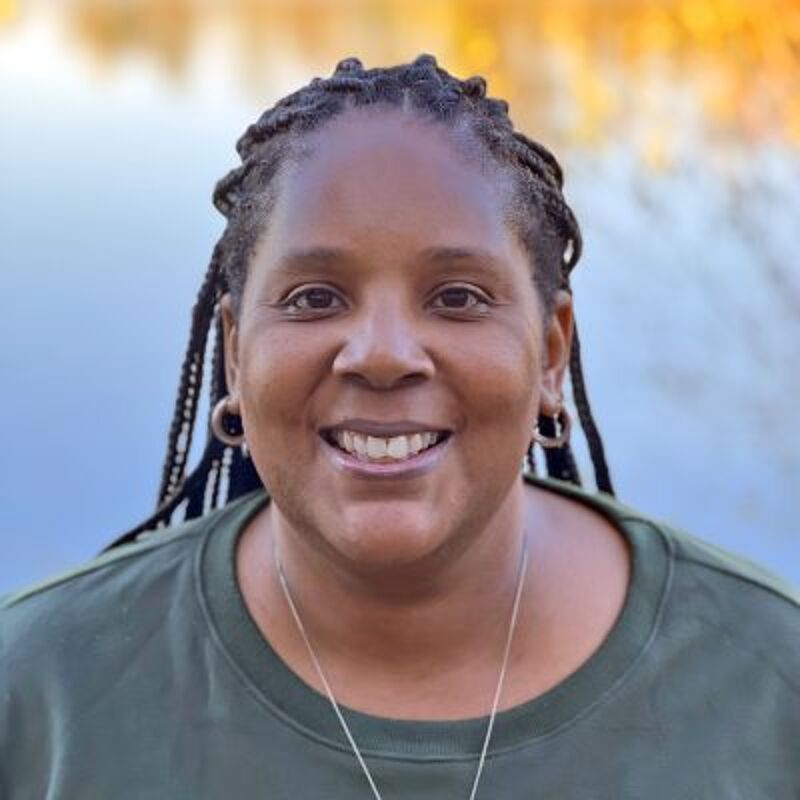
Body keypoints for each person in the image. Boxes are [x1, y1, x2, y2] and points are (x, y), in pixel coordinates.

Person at [1, 55, 798, 799]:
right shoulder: (42, 691)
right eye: (315, 297)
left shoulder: (769, 684)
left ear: (551, 353)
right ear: (237, 355)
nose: (381, 356)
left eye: (457, 297)